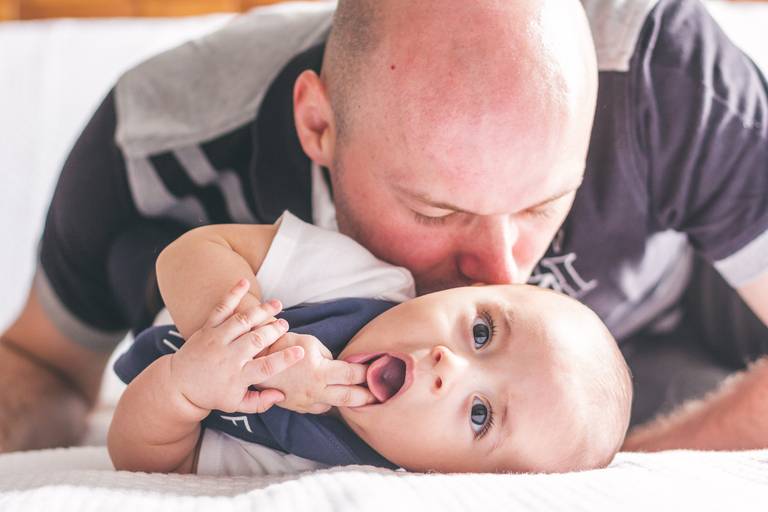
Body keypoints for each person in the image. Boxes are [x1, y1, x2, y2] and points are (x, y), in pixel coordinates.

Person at [1, 0, 766, 453]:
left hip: (716, 337)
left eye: (541, 205)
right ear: (318, 125)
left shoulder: (670, 80)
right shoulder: (156, 150)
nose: (504, 271)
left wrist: (618, 468)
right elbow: (45, 364)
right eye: (438, 212)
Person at [107, 212, 631, 475]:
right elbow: (191, 250)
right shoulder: (360, 280)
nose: (451, 364)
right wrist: (258, 346)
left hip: (150, 378)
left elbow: (141, 460)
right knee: (125, 248)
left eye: (479, 415)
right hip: (167, 295)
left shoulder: (319, 471)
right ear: (465, 290)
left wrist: (187, 389)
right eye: (481, 332)